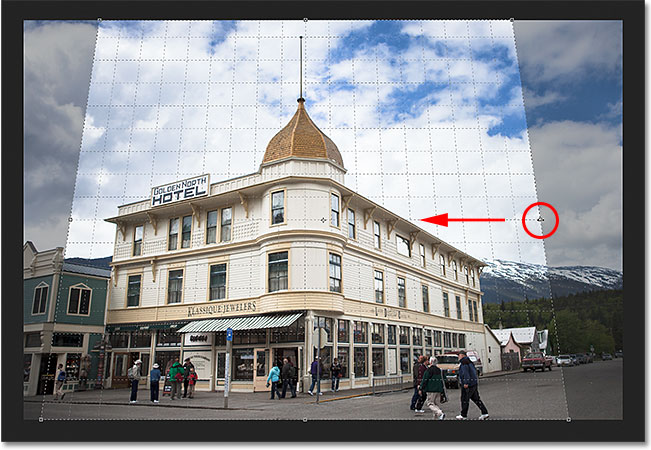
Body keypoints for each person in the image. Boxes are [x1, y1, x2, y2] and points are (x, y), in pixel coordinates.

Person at [456, 350, 489, 420]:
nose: (458, 357)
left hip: (468, 384)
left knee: (464, 399)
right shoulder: (470, 362)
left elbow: (466, 374)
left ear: (462, 355)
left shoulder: (464, 363)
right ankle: (485, 413)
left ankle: (463, 415)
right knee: (476, 399)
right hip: (474, 383)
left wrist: (466, 383)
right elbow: (473, 372)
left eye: (459, 355)